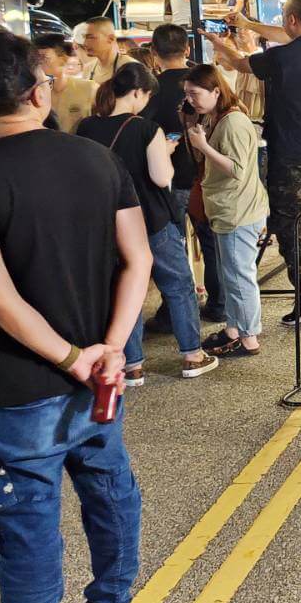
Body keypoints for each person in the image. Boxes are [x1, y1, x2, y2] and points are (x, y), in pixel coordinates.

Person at [0, 33, 149, 603]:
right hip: (100, 380)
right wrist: (110, 349)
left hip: (13, 387)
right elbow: (139, 258)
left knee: (28, 533)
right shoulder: (98, 159)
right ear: (37, 92)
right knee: (112, 497)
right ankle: (111, 601)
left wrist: (75, 359)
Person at [207, 0, 301, 329]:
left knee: (291, 227)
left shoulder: (282, 58)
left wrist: (215, 40)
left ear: (292, 19)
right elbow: (292, 36)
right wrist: (248, 24)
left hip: (293, 153)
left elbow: (240, 64)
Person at [78, 62, 218, 382]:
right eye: (146, 96)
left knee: (126, 289)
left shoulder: (87, 128)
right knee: (178, 285)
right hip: (151, 219)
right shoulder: (145, 128)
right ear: (138, 92)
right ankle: (192, 356)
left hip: (108, 222)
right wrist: (165, 152)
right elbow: (161, 177)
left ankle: (131, 365)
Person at [140, 23, 224, 329]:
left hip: (166, 181)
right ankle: (219, 304)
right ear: (187, 49)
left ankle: (172, 311)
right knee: (211, 243)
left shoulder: (149, 89)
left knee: (172, 249)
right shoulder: (204, 80)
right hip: (203, 178)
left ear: (153, 51)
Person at [183, 64, 269, 358]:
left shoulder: (232, 122)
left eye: (195, 94)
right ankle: (235, 329)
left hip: (237, 211)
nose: (191, 100)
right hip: (230, 208)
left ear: (216, 91)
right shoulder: (216, 117)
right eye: (187, 95)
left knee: (238, 276)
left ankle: (248, 338)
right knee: (232, 274)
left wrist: (203, 146)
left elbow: (236, 169)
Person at [33, 33, 98, 134]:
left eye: (43, 57)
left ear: (63, 59)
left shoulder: (89, 88)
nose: (38, 63)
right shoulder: (34, 95)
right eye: (35, 59)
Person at [78, 17, 137, 85]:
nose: (85, 43)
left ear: (110, 38)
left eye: (91, 37)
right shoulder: (88, 69)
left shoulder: (130, 67)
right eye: (84, 37)